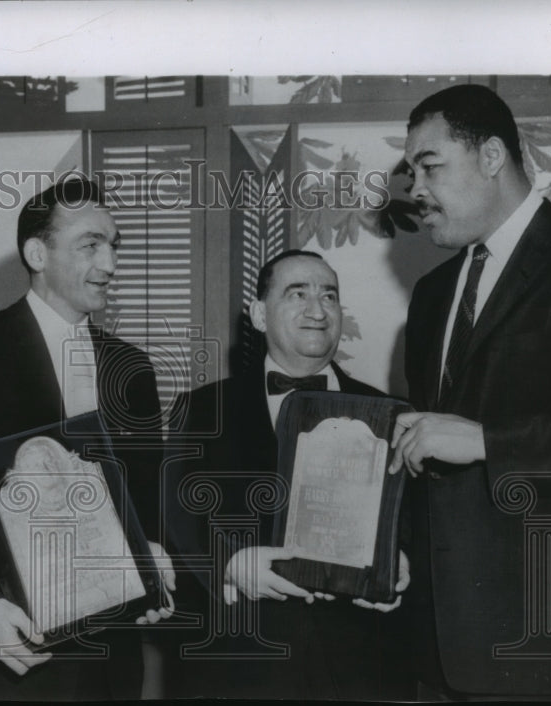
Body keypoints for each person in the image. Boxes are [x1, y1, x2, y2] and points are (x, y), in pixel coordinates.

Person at [0, 177, 171, 700]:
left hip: (112, 659)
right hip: (13, 653)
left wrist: (154, 557)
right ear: (37, 253)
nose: (110, 265)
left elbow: (146, 501)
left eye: (113, 246)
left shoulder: (133, 368)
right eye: (89, 246)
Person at [390, 84, 551, 699]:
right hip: (438, 642)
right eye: (410, 173)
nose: (416, 190)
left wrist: (488, 440)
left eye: (430, 167)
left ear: (490, 156)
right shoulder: (430, 296)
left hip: (548, 636)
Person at [163, 250, 409, 699]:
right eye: (298, 294)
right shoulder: (200, 411)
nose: (317, 311)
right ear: (259, 315)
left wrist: (401, 561)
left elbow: (414, 522)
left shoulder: (391, 413)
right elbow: (174, 525)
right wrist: (230, 566)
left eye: (329, 296)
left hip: (360, 665)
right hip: (238, 666)